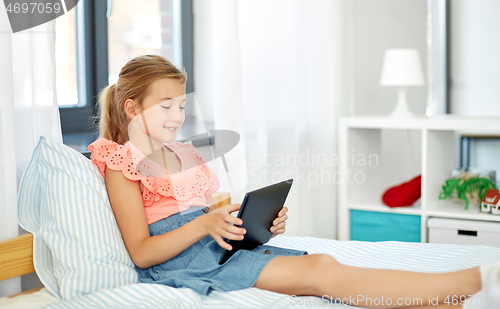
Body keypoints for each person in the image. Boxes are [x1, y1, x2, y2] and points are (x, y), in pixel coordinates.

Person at [88, 55, 498, 309]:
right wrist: (206, 223)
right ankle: (475, 281)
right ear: (131, 107)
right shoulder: (120, 161)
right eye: (165, 107)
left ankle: (461, 305)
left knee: (325, 269)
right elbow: (141, 254)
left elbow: (211, 223)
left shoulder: (187, 154)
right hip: (185, 263)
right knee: (320, 269)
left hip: (216, 249)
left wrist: (256, 227)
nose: (177, 116)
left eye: (180, 104)